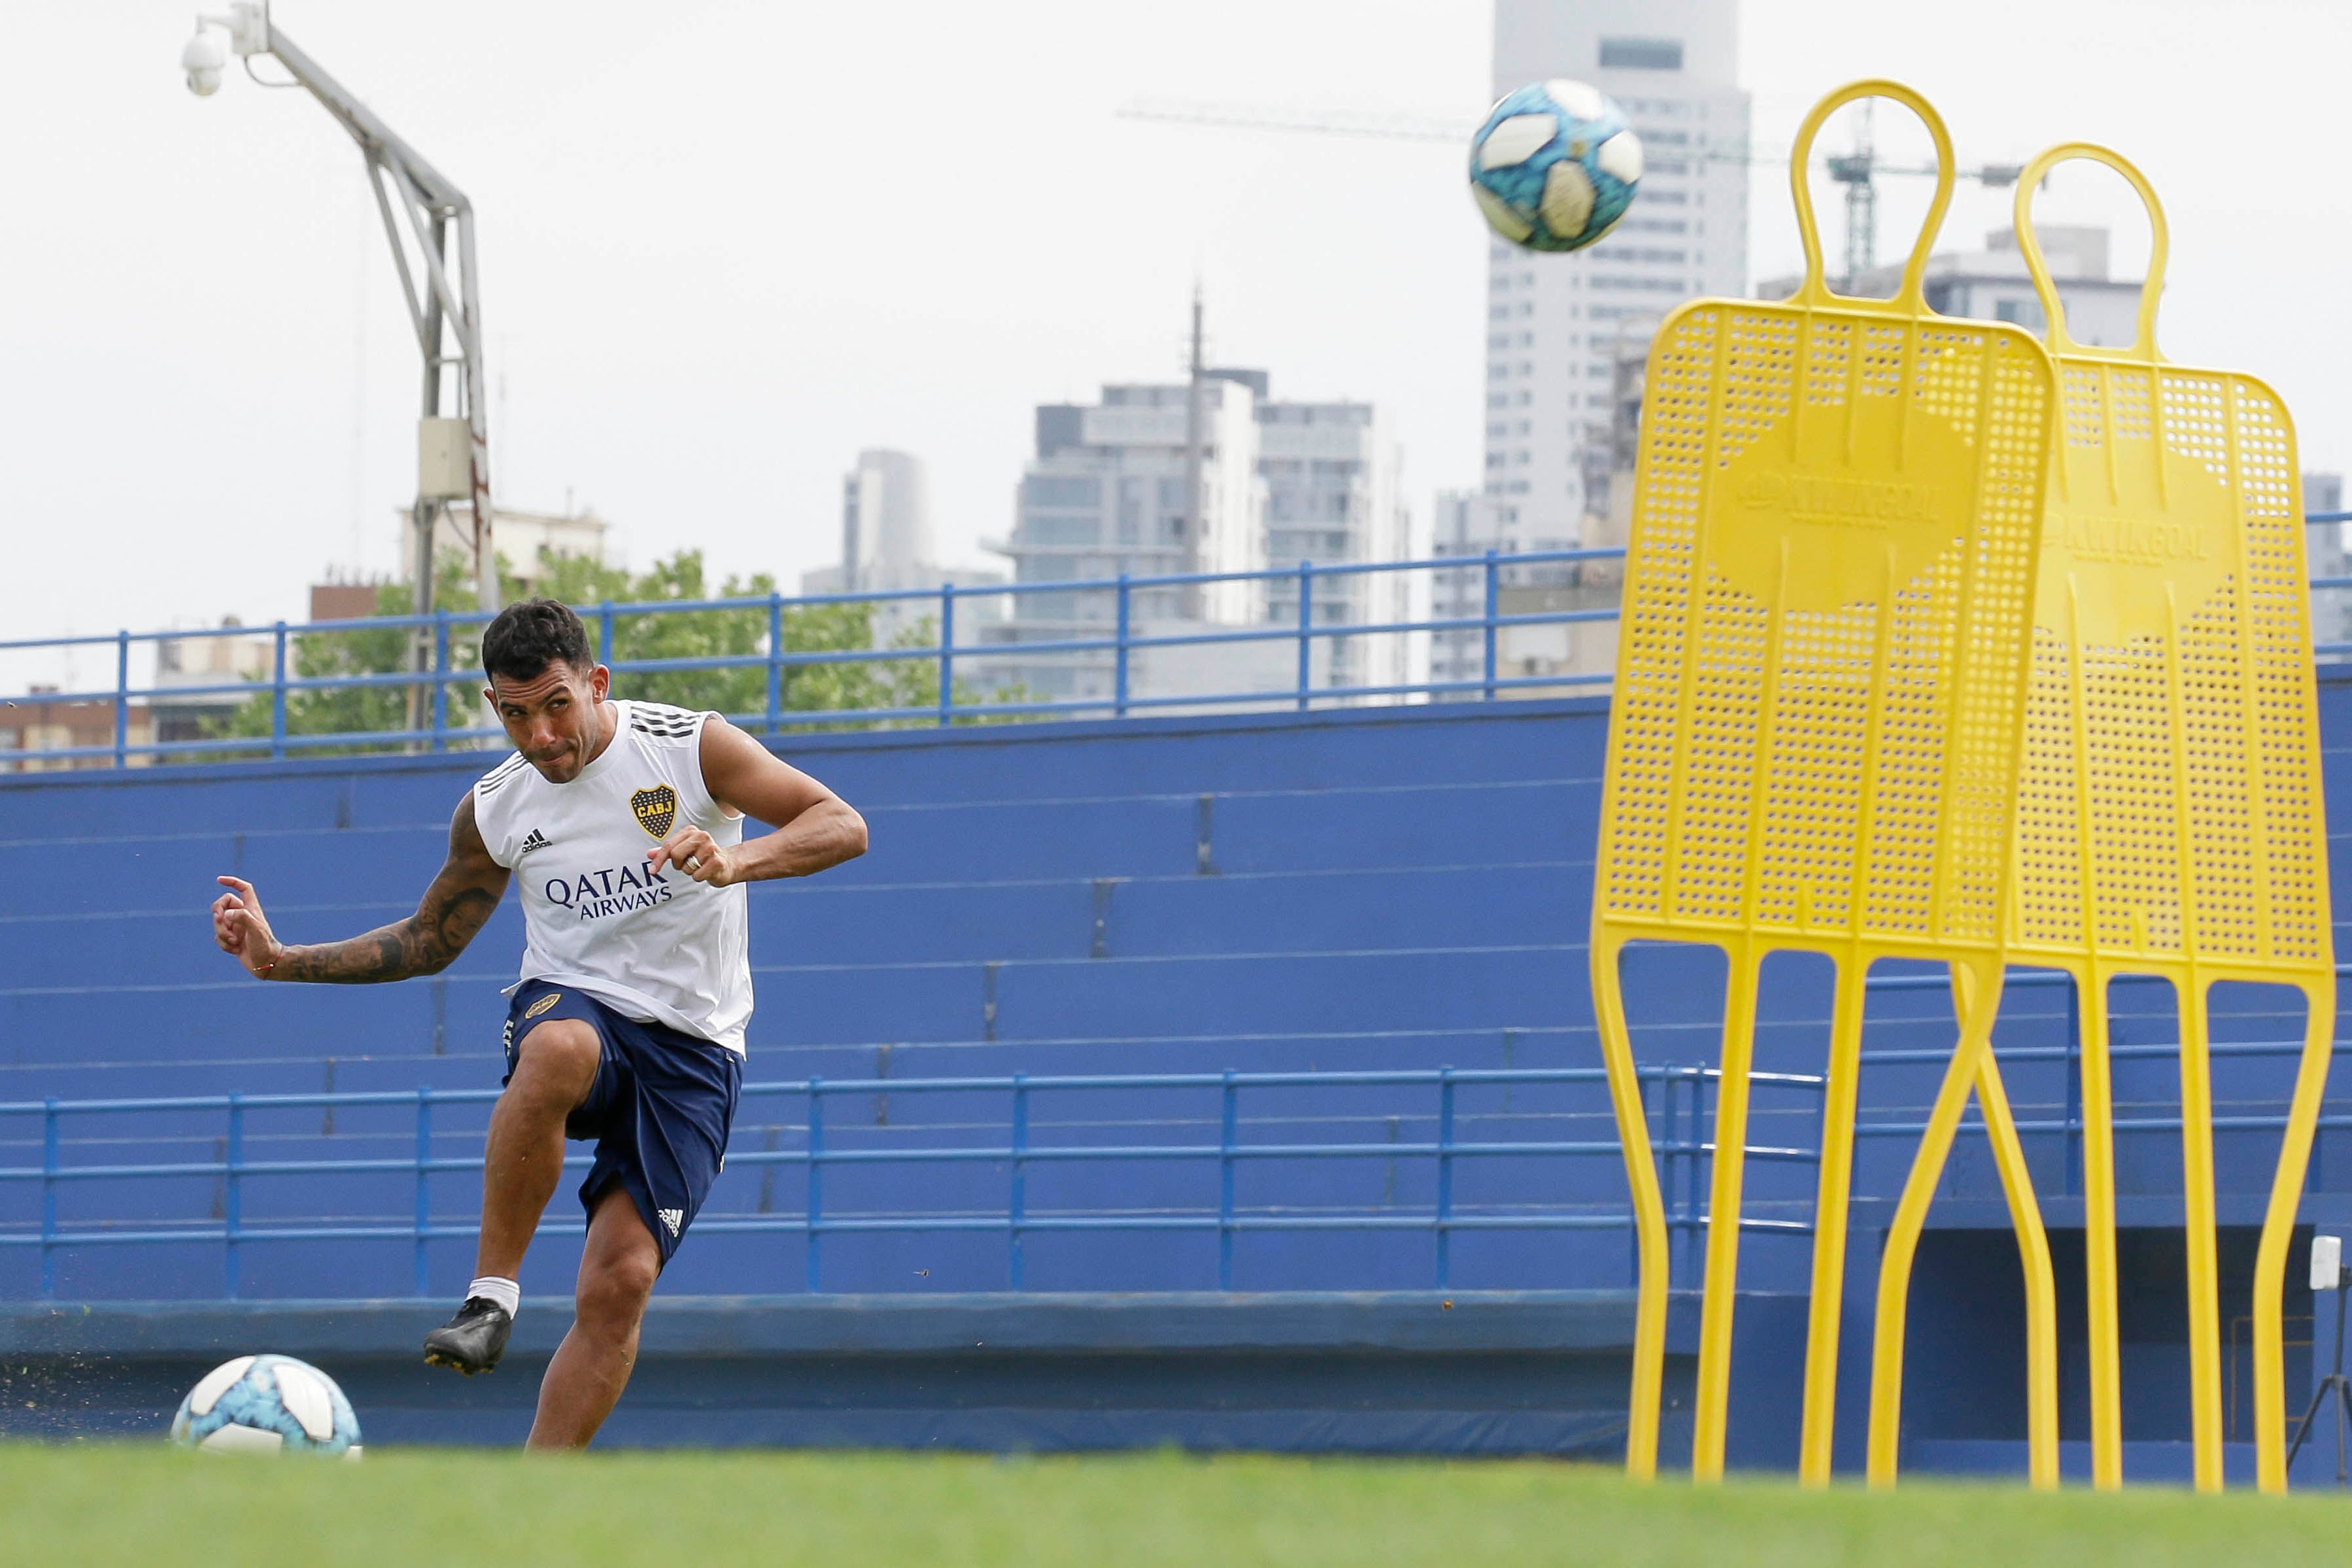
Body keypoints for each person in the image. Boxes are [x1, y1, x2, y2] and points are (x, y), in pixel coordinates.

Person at [209, 598, 866, 1448]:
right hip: (574, 999)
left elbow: (840, 824)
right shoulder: (494, 809)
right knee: (558, 1046)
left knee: (621, 1281)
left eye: (557, 704)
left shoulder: (688, 746)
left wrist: (733, 857)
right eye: (516, 714)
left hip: (697, 1046)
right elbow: (428, 939)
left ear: (595, 684)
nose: (542, 735)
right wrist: (279, 957)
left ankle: (531, 1505)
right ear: (494, 707)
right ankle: (491, 1298)